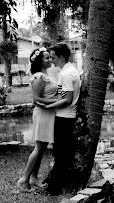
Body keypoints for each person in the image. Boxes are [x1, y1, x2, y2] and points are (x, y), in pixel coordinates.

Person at [17, 47, 59, 190]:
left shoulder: (48, 75)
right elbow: (36, 100)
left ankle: (34, 178)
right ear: (39, 61)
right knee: (39, 147)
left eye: (50, 57)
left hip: (49, 114)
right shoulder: (38, 77)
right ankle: (24, 179)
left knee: (42, 148)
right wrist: (56, 102)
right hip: (42, 114)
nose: (50, 60)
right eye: (46, 58)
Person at [43, 43, 81, 193]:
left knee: (61, 154)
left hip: (65, 118)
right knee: (60, 152)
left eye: (53, 57)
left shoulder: (66, 74)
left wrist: (49, 107)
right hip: (64, 116)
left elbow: (68, 99)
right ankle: (57, 184)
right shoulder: (66, 71)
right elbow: (62, 94)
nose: (51, 60)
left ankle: (56, 187)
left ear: (61, 57)